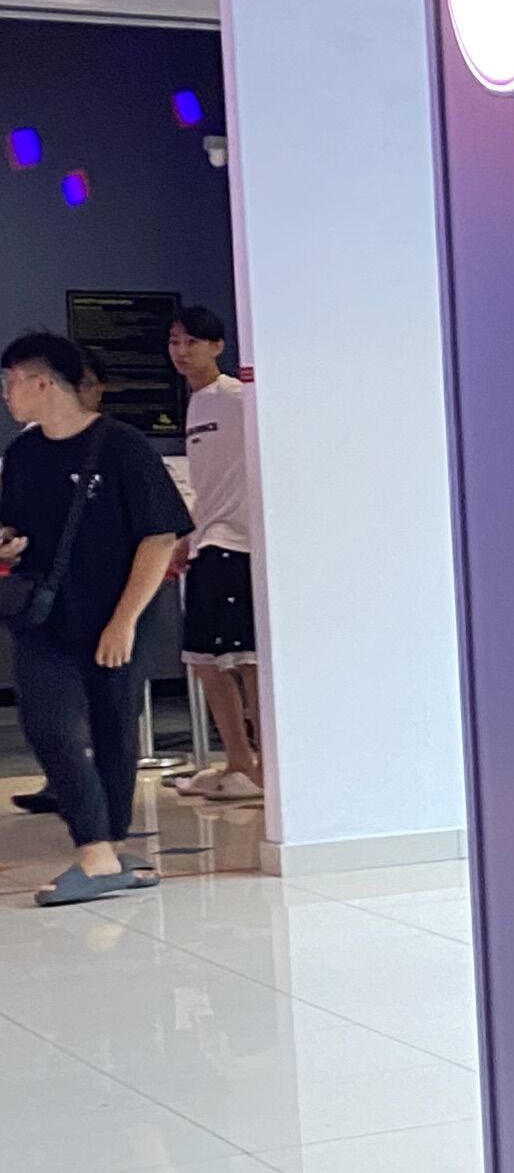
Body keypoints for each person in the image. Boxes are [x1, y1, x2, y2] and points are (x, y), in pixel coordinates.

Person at [2, 332, 187, 902]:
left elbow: (159, 537)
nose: (7, 394)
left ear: (42, 383)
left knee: (114, 727)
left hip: (116, 614)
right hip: (43, 615)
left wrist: (124, 620)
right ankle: (94, 848)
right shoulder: (23, 454)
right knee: (50, 725)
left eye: (11, 382)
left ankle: (109, 846)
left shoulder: (123, 448)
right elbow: (14, 523)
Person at [163, 303, 262, 804]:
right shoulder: (197, 403)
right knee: (203, 660)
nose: (181, 351)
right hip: (206, 541)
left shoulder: (237, 397)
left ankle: (266, 769)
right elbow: (208, 483)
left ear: (217, 346)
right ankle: (237, 761)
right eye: (174, 342)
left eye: (192, 342)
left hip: (237, 543)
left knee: (246, 660)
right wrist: (187, 537)